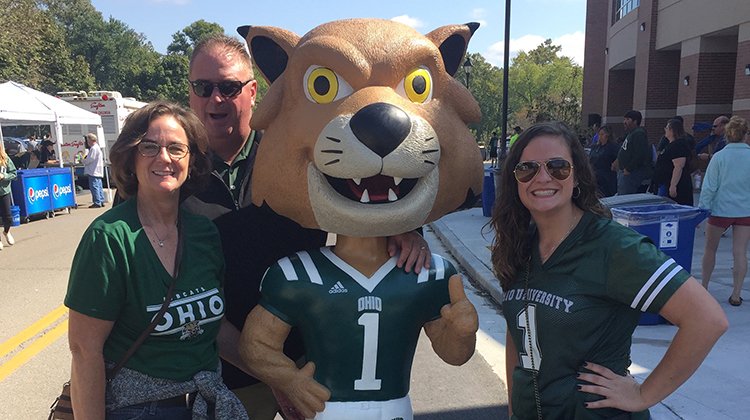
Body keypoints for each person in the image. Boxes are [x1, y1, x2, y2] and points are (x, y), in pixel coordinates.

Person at [186, 34, 432, 419]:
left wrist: (401, 230)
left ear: (254, 92)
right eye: (203, 87)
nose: (215, 98)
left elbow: (366, 188)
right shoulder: (174, 172)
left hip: (311, 357)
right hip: (220, 365)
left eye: (229, 87)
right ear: (191, 92)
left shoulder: (298, 154)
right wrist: (273, 375)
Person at [491, 121, 727, 419]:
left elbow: (707, 319)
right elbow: (518, 336)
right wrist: (514, 410)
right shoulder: (520, 245)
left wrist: (644, 393)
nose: (542, 177)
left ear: (576, 176)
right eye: (527, 169)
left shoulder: (613, 246)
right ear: (516, 181)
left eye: (558, 167)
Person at [65, 102, 248, 419]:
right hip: (138, 409)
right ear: (131, 157)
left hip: (206, 406)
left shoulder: (204, 234)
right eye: (149, 147)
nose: (164, 158)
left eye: (177, 149)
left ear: (191, 161)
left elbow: (212, 325)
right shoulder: (109, 239)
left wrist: (279, 378)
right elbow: (85, 351)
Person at [699, 116, 750, 306]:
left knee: (710, 249)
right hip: (745, 211)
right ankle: (736, 294)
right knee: (740, 252)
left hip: (720, 209)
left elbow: (709, 186)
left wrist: (703, 209)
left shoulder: (719, 157)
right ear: (745, 135)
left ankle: (703, 287)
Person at [653, 118, 693, 205]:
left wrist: (673, 185)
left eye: (667, 128)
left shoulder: (679, 145)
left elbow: (678, 166)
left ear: (672, 130)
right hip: (663, 183)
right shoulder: (670, 145)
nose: (665, 130)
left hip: (672, 184)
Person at [588, 125, 618, 197]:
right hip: (595, 176)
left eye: (602, 134)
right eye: (599, 134)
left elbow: (618, 158)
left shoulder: (613, 147)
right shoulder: (595, 147)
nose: (600, 136)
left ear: (607, 135)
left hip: (607, 177)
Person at [0, 140, 17, 250]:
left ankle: (6, 231)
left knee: (8, 218)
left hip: (4, 191)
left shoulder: (5, 159)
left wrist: (4, 176)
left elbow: (14, 174)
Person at [82, 133, 105, 208]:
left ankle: (97, 202)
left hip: (93, 170)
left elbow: (90, 159)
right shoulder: (96, 147)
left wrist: (83, 161)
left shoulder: (93, 148)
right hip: (96, 170)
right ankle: (101, 200)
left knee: (94, 186)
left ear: (91, 140)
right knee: (99, 186)